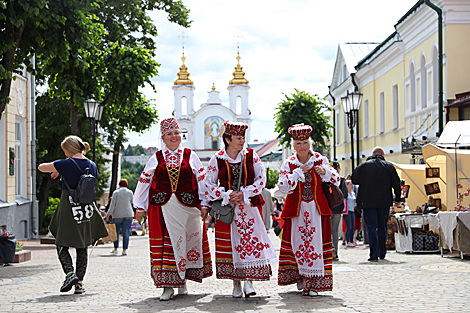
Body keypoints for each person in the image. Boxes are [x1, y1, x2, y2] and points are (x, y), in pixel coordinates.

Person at [133, 118, 212, 301]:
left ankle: (182, 281)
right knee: (165, 246)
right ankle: (167, 286)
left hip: (187, 207)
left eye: (176, 133)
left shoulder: (191, 155)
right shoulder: (156, 158)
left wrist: (205, 203)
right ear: (163, 137)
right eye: (169, 134)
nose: (174, 137)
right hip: (163, 207)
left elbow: (202, 181)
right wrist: (139, 206)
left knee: (185, 243)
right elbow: (145, 182)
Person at [205, 121, 276, 298]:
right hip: (227, 209)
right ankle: (236, 283)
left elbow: (261, 180)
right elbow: (208, 184)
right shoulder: (218, 159)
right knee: (230, 245)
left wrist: (244, 193)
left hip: (249, 207)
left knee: (249, 242)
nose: (242, 141)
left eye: (244, 137)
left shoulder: (252, 156)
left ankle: (248, 282)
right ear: (228, 139)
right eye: (238, 138)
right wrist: (226, 195)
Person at [38, 135, 108, 294]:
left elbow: (41, 167)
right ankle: (79, 284)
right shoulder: (92, 165)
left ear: (68, 150)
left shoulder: (66, 164)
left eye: (65, 151)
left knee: (61, 243)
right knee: (82, 245)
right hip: (86, 210)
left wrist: (57, 168)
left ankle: (70, 274)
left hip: (69, 207)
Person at [277, 124, 340, 296]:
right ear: (293, 145)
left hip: (316, 210)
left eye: (305, 142)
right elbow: (282, 186)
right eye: (298, 143)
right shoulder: (289, 163)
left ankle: (313, 282)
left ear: (309, 143)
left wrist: (325, 172)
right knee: (298, 244)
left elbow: (336, 179)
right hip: (297, 210)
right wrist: (297, 173)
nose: (302, 146)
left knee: (315, 244)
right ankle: (301, 276)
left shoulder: (320, 159)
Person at [351, 146, 401, 262]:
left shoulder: (363, 166)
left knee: (371, 227)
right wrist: (398, 198)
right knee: (382, 227)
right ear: (382, 154)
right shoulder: (388, 166)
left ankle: (373, 254)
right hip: (384, 201)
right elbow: (396, 183)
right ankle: (382, 252)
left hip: (367, 201)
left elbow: (354, 179)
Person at [106, 179, 134, 256]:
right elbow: (132, 202)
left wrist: (108, 215)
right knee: (126, 232)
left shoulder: (116, 193)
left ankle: (116, 249)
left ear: (119, 184)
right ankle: (125, 250)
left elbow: (112, 205)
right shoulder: (130, 192)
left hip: (117, 215)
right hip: (128, 214)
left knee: (116, 232)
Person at [330, 162, 347, 261]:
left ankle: (327, 251)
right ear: (338, 169)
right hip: (338, 208)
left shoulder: (325, 179)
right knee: (335, 230)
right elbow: (345, 194)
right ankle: (335, 252)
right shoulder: (341, 180)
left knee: (326, 231)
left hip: (327, 208)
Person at [344, 180, 356, 247]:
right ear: (347, 185)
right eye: (351, 184)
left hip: (352, 210)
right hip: (347, 211)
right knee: (349, 226)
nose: (352, 186)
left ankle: (351, 240)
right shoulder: (346, 193)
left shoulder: (353, 193)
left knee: (353, 226)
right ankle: (348, 241)